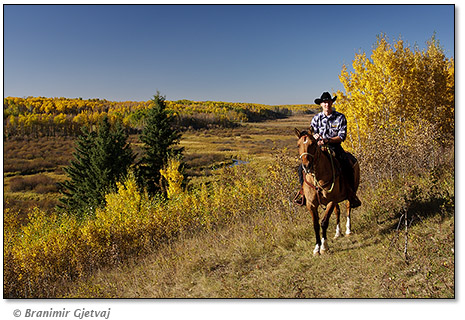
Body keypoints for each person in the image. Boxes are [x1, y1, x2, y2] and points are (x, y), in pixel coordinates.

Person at [294, 91, 361, 208]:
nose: (326, 104)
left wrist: (327, 140)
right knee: (301, 168)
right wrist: (314, 138)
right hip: (318, 148)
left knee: (346, 163)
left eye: (328, 102)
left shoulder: (340, 117)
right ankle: (303, 194)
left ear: (331, 103)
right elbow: (311, 134)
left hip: (334, 146)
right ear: (321, 104)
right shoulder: (316, 118)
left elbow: (342, 136)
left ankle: (351, 193)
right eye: (324, 103)